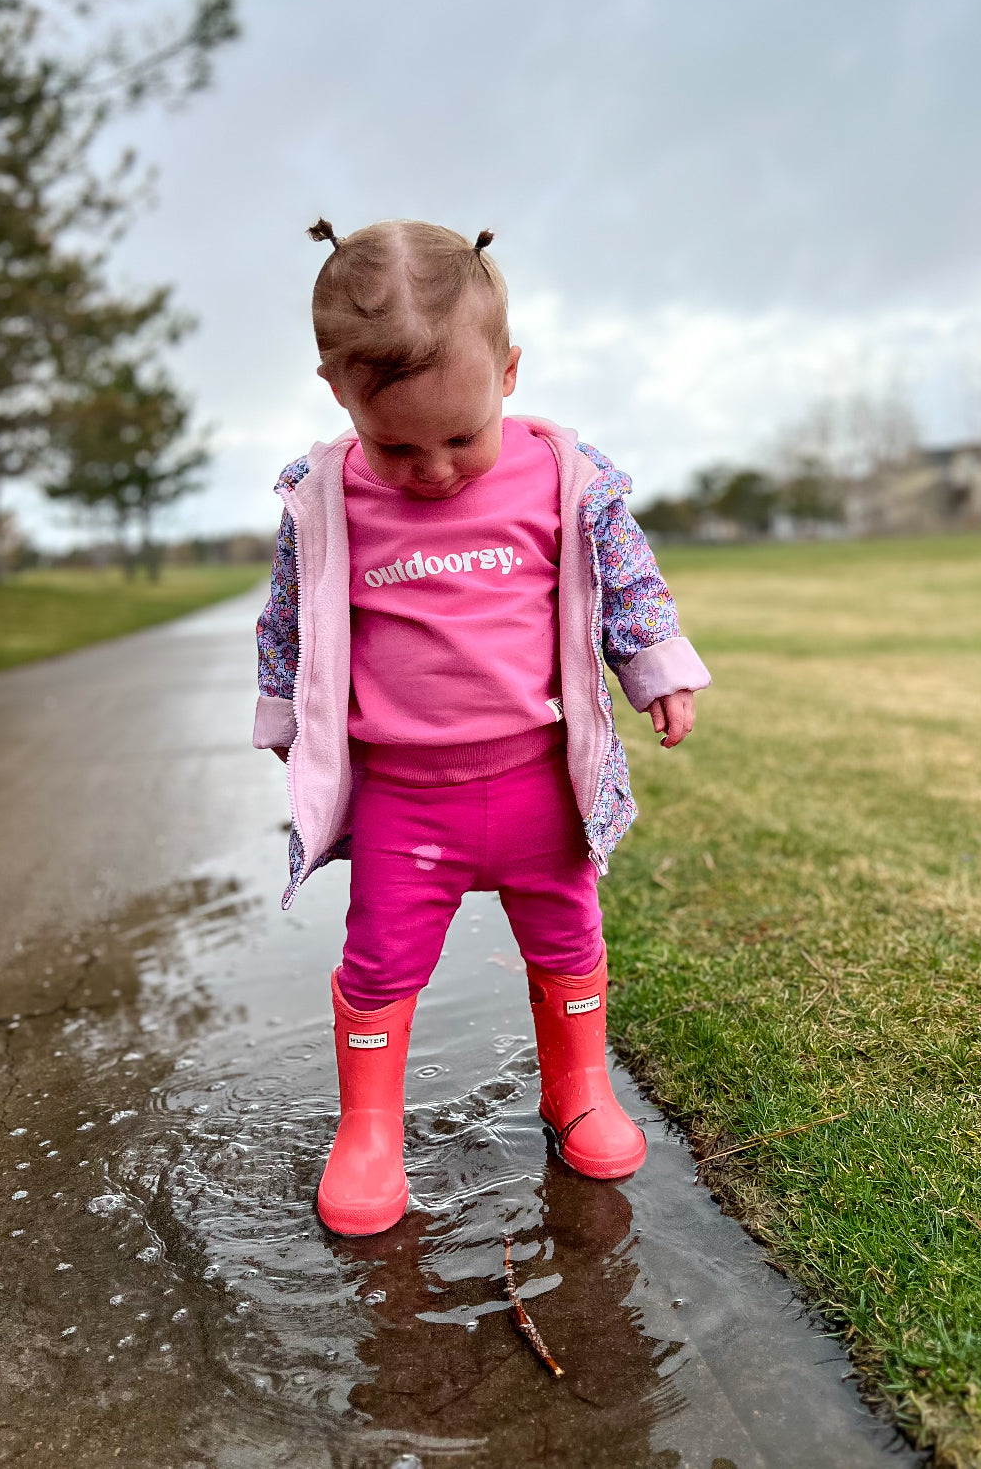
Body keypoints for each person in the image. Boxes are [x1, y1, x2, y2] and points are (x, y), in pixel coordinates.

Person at [253, 218, 710, 1237]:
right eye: (398, 444)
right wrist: (286, 715)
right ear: (339, 394)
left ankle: (578, 1089)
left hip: (540, 780)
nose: (434, 470)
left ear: (508, 372)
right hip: (409, 800)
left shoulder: (560, 473)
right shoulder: (326, 498)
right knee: (379, 961)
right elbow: (288, 616)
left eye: (462, 437)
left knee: (567, 934)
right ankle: (369, 1132)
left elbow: (625, 580)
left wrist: (654, 665)